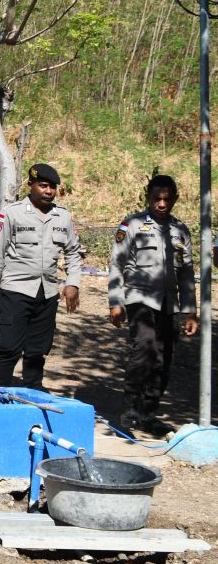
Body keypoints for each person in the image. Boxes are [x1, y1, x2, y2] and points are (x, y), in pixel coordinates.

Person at [108, 174, 198, 435]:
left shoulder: (180, 230)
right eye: (157, 198)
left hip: (168, 303)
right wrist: (116, 302)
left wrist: (190, 310)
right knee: (144, 348)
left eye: (167, 199)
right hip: (139, 297)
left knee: (163, 357)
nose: (161, 204)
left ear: (175, 199)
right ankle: (129, 411)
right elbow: (117, 264)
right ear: (148, 197)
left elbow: (186, 273)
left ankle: (148, 413)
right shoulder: (132, 224)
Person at [0, 164, 82, 390]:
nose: (48, 191)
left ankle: (33, 392)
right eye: (43, 186)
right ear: (30, 185)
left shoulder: (62, 217)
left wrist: (73, 283)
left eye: (52, 187)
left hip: (47, 293)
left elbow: (74, 252)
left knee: (38, 350)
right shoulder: (11, 213)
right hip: (16, 291)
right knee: (9, 348)